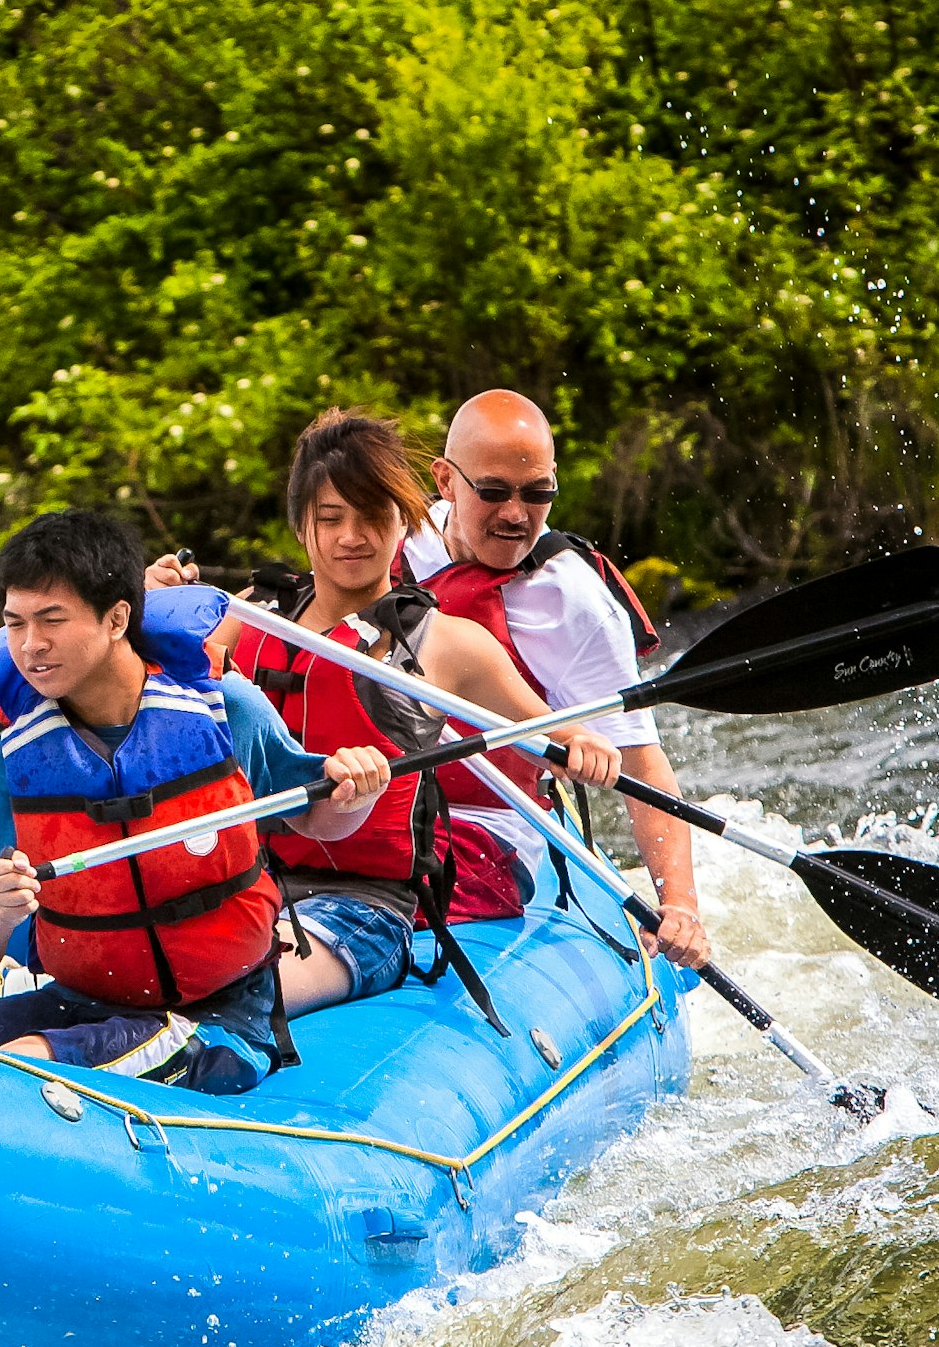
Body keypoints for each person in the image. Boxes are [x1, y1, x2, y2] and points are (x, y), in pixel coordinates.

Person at [0, 510, 389, 1094]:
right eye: (15, 624)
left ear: (118, 617)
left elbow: (321, 818)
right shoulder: (10, 760)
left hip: (217, 1017)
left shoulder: (224, 711)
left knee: (26, 1062)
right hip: (77, 1003)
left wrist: (357, 789)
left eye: (51, 620)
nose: (31, 646)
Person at [188, 409, 617, 1019]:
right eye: (330, 519)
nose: (351, 538)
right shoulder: (253, 615)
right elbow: (143, 698)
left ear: (405, 522)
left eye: (372, 518)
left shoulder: (445, 642)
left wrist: (586, 750)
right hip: (250, 883)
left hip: (364, 907)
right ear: (301, 525)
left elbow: (550, 732)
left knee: (228, 988)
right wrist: (154, 611)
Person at [402, 388, 710, 967]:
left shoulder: (573, 603)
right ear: (445, 481)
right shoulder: (391, 539)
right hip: (371, 806)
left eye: (537, 493)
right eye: (492, 492)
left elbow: (639, 760)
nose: (516, 515)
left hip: (489, 823)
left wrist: (681, 905)